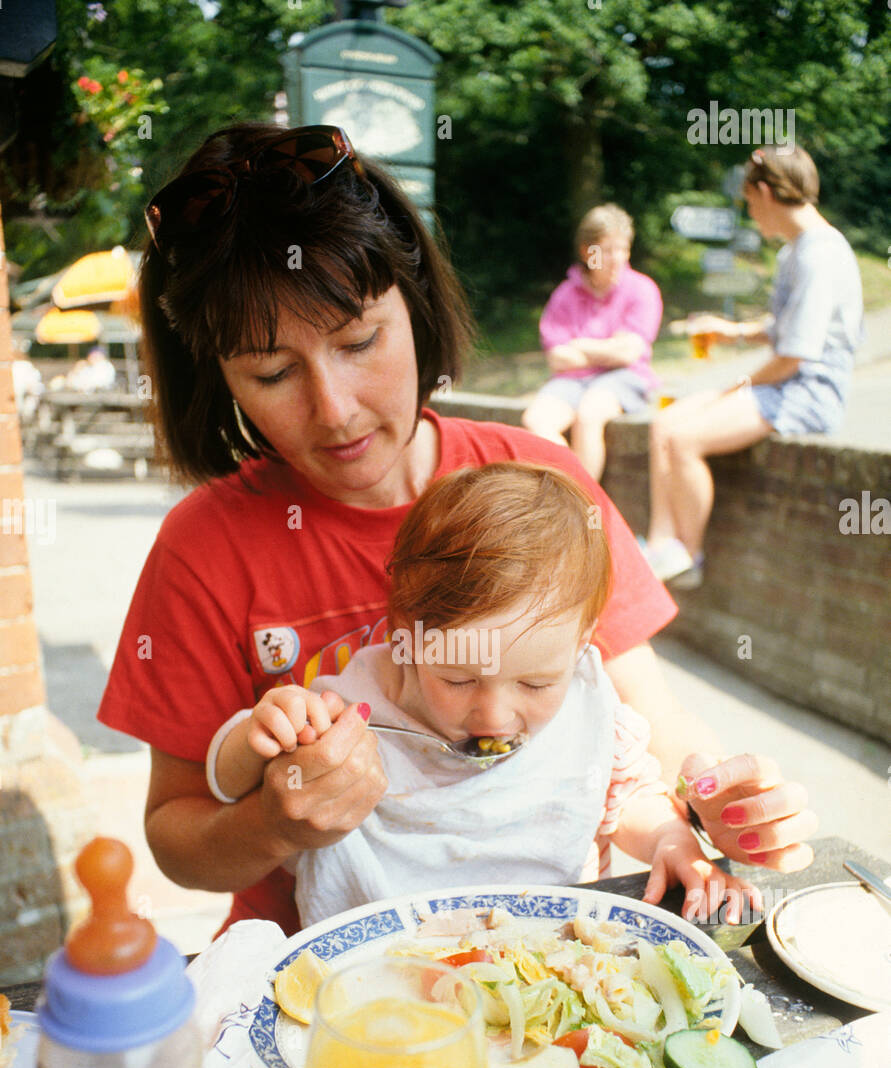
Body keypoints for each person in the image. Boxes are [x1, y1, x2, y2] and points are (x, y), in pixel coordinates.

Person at [97, 123, 816, 940]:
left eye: (360, 341)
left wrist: (726, 803)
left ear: (414, 302)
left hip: (549, 945)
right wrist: (278, 825)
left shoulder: (539, 485)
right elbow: (177, 842)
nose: (334, 409)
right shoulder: (205, 547)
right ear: (217, 376)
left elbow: (644, 717)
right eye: (271, 372)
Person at [206, 463, 760, 928]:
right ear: (405, 637)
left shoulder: (588, 704)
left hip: (543, 958)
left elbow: (618, 799)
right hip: (378, 966)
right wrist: (260, 736)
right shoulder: (349, 706)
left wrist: (669, 839)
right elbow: (229, 785)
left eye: (536, 683)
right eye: (459, 680)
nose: (495, 714)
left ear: (582, 645)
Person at [642, 144, 864, 586]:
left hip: (808, 393)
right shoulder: (794, 251)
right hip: (785, 385)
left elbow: (792, 357)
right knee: (663, 424)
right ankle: (660, 546)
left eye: (748, 201)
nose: (750, 212)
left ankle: (690, 557)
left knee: (685, 439)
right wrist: (734, 330)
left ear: (764, 192)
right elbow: (787, 326)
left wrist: (735, 388)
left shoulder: (820, 256)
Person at [521, 204, 662, 480]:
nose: (617, 258)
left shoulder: (642, 289)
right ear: (587, 251)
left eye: (622, 249)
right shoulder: (565, 294)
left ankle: (586, 505)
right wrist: (608, 348)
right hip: (572, 379)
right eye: (607, 250)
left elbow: (628, 353)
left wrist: (580, 345)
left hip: (625, 377)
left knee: (589, 414)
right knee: (535, 420)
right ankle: (571, 489)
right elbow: (558, 358)